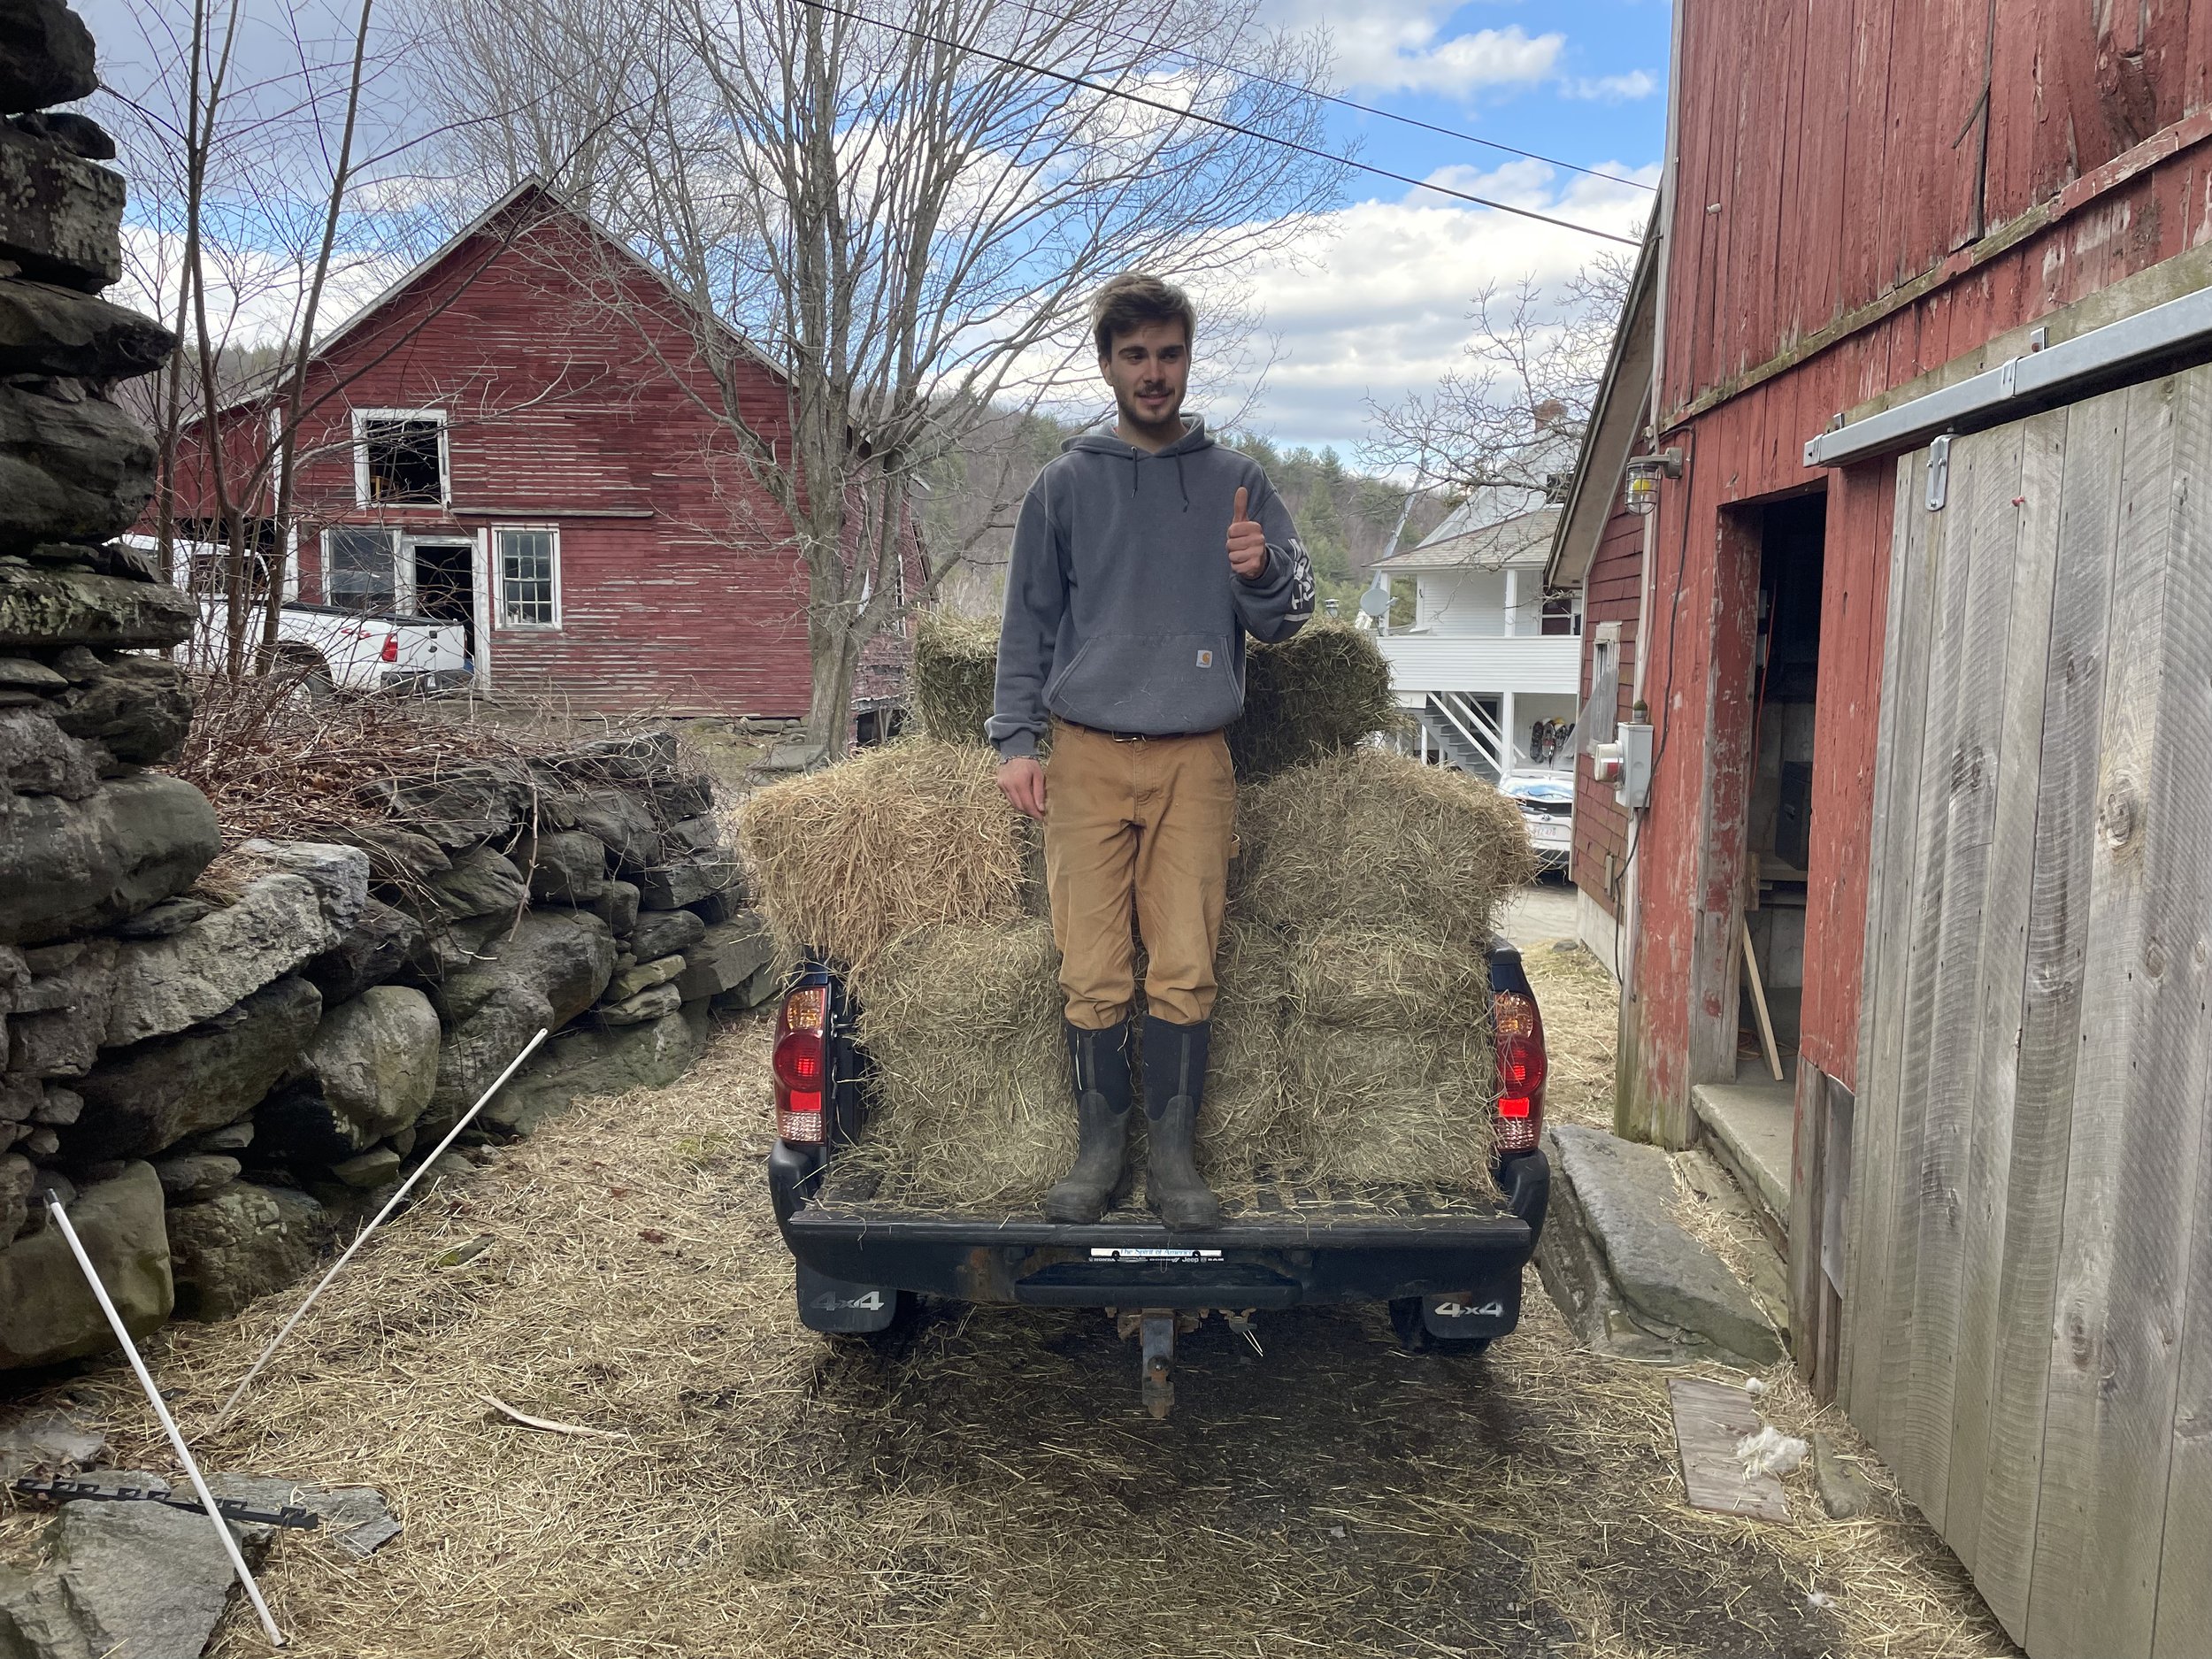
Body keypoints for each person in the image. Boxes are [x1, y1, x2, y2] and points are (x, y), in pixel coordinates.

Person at [987, 273, 1315, 1229]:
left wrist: (1259, 574)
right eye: (1134, 356)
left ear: (1186, 358)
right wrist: (1016, 739)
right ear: (1106, 365)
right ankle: (1099, 1151)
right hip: (1085, 755)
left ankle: (1172, 1156)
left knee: (1184, 960)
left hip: (1194, 758)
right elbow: (1027, 626)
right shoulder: (1064, 485)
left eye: (1169, 353)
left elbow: (1289, 617)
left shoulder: (1235, 480)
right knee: (1089, 962)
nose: (1153, 373)